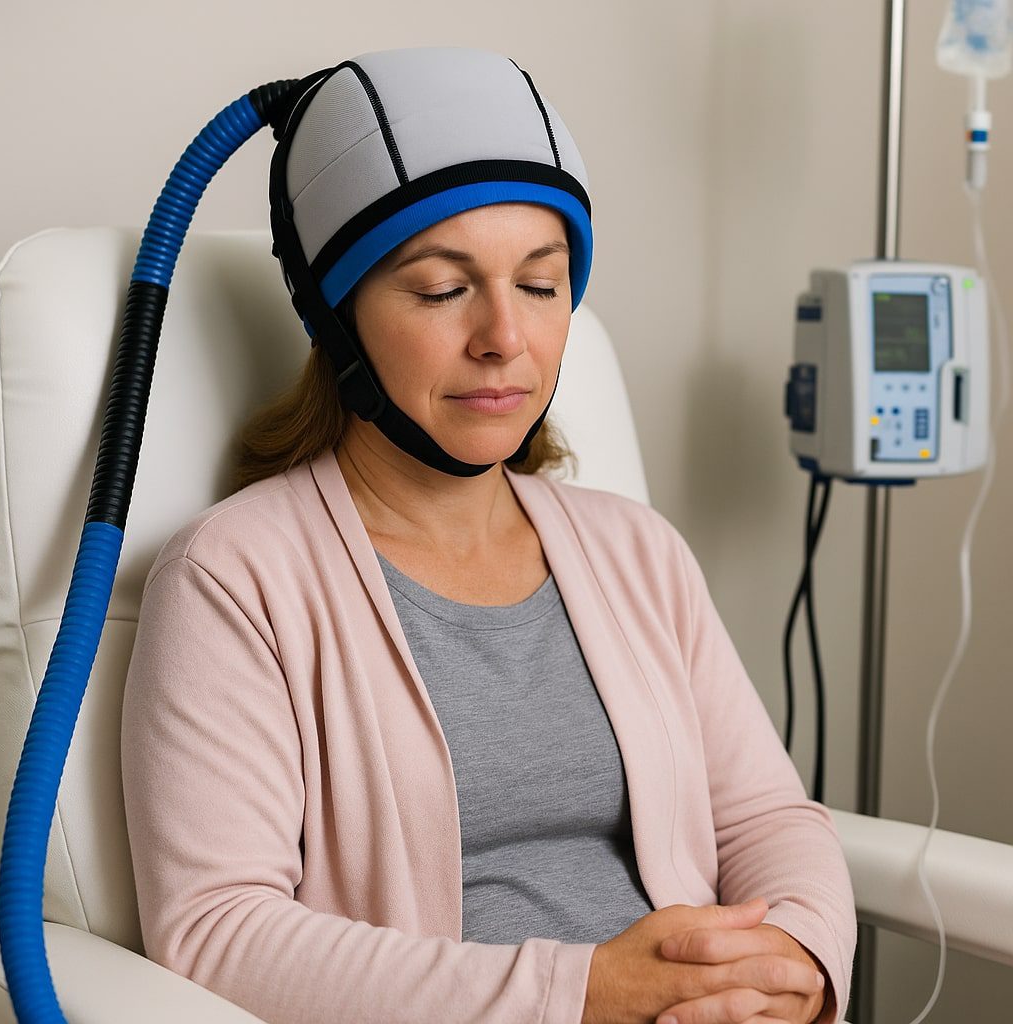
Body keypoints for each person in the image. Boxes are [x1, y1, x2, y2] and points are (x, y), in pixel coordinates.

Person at [120, 45, 856, 1024]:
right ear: (338, 321)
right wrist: (580, 993)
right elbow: (219, 930)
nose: (504, 336)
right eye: (439, 288)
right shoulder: (236, 575)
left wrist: (795, 966)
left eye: (542, 284)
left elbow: (766, 817)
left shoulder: (638, 552)